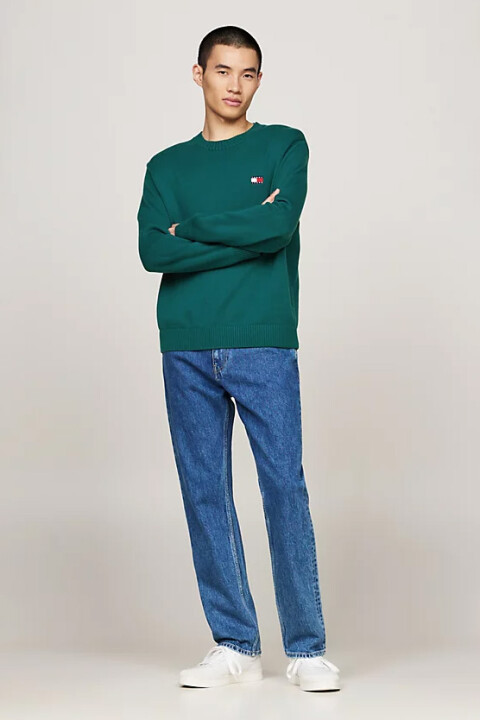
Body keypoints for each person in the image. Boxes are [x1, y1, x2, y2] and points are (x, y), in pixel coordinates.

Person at [137, 25, 341, 693]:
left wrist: (192, 229)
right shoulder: (166, 167)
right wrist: (242, 230)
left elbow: (276, 228)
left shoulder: (284, 146)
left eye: (247, 73)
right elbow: (153, 251)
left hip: (262, 338)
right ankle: (235, 644)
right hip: (185, 342)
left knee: (283, 486)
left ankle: (306, 648)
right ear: (199, 74)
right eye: (222, 70)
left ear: (258, 80)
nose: (234, 84)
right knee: (204, 492)